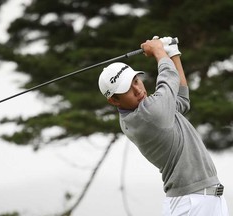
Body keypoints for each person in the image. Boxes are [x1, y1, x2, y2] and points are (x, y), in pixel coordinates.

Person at [98, 36, 229, 216]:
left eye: (136, 81)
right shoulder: (148, 114)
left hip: (207, 200)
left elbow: (182, 99)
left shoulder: (150, 110)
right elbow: (168, 78)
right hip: (189, 203)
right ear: (114, 100)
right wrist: (159, 51)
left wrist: (172, 52)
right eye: (128, 90)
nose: (138, 90)